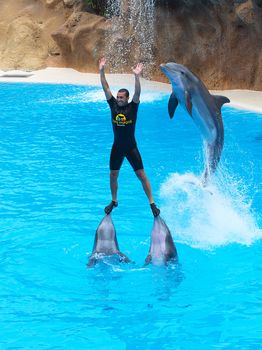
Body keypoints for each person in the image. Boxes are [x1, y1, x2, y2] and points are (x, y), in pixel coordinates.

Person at [99, 57, 160, 217]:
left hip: (131, 147)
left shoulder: (133, 107)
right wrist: (101, 71)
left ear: (127, 98)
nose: (118, 99)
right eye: (117, 97)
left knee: (141, 175)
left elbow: (138, 92)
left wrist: (137, 76)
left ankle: (152, 203)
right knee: (113, 175)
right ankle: (113, 201)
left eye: (121, 97)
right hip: (117, 147)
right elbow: (105, 87)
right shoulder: (112, 105)